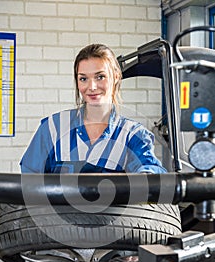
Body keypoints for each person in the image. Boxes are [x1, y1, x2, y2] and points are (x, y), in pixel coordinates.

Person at [20, 43, 166, 174]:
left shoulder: (133, 135)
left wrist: (146, 176)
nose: (92, 87)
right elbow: (29, 179)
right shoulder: (52, 129)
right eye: (83, 79)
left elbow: (150, 169)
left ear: (116, 77)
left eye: (100, 77)